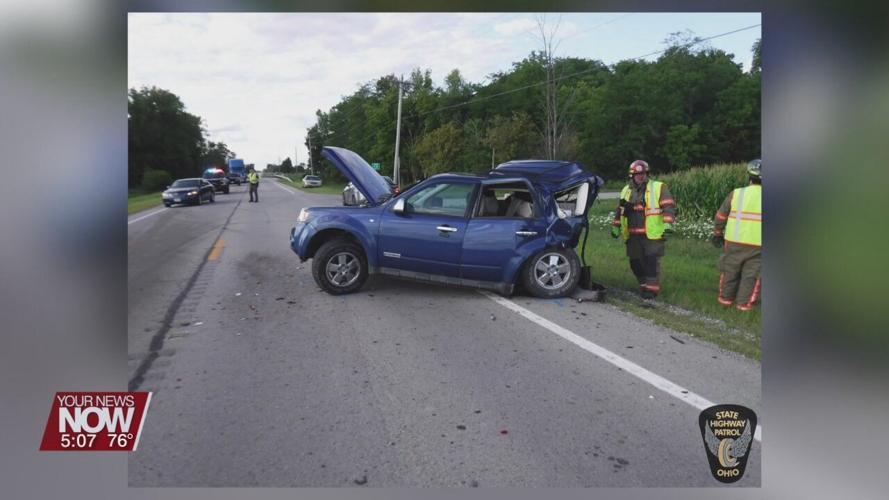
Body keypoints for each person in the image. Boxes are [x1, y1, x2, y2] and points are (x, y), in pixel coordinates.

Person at [611, 160, 676, 299]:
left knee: (651, 261)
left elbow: (668, 206)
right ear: (632, 175)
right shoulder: (626, 190)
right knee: (635, 262)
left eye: (643, 173)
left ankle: (651, 291)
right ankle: (643, 285)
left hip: (652, 233)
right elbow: (620, 210)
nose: (641, 176)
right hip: (633, 234)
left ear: (647, 173)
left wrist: (668, 223)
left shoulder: (658, 187)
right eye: (637, 174)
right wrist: (616, 226)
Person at [712, 159, 762, 311]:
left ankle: (725, 302)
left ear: (749, 175)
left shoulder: (737, 194)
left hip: (733, 241)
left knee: (730, 272)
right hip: (758, 245)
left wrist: (717, 233)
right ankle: (743, 306)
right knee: (750, 277)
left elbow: (721, 215)